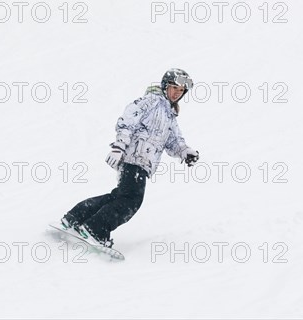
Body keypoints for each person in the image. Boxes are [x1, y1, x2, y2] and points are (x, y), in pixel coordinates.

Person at [60, 68, 200, 248]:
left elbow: (174, 141)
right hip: (134, 159)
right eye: (174, 88)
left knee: (119, 197)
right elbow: (127, 122)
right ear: (165, 86)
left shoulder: (170, 116)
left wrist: (185, 151)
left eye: (181, 91)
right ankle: (96, 229)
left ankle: (75, 218)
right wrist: (119, 147)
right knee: (131, 201)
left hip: (142, 163)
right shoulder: (152, 102)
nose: (176, 93)